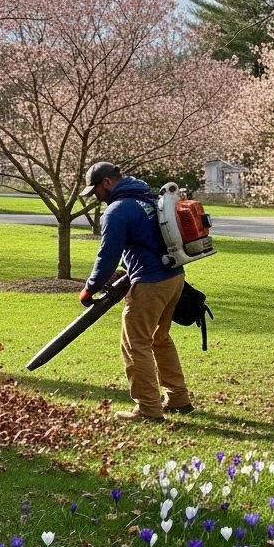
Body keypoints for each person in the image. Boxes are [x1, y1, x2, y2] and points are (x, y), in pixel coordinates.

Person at [80, 161, 192, 421]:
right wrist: (127, 268)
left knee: (135, 344)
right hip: (174, 277)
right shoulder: (148, 198)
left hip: (150, 283)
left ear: (106, 182)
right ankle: (177, 397)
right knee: (160, 338)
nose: (96, 197)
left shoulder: (117, 210)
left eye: (95, 190)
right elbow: (147, 238)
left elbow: (107, 256)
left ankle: (148, 409)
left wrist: (90, 287)